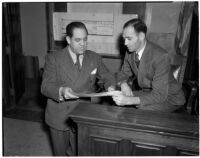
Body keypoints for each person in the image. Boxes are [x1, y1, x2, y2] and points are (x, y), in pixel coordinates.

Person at [41, 21, 115, 156]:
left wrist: (110, 87)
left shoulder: (94, 57)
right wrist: (61, 91)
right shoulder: (54, 58)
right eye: (78, 40)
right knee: (60, 153)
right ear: (68, 40)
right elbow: (46, 86)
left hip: (85, 114)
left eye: (85, 39)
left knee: (83, 152)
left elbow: (107, 76)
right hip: (59, 114)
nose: (83, 44)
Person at [112, 18, 185, 112]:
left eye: (129, 39)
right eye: (124, 39)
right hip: (148, 93)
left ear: (141, 36)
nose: (125, 43)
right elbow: (123, 73)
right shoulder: (130, 52)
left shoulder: (161, 56)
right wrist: (123, 84)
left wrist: (130, 101)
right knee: (117, 100)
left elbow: (159, 94)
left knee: (141, 110)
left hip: (169, 98)